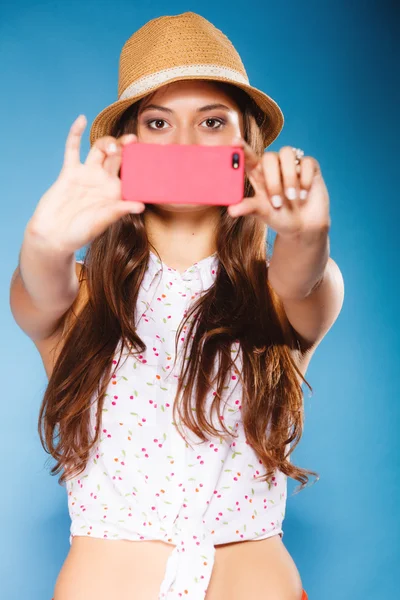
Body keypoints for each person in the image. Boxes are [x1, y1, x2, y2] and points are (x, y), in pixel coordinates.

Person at [10, 11, 344, 600]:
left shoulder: (280, 291)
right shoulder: (80, 292)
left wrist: (303, 235)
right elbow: (38, 290)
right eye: (159, 122)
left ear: (247, 145)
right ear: (124, 146)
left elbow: (305, 279)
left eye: (211, 122)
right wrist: (44, 244)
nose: (187, 142)